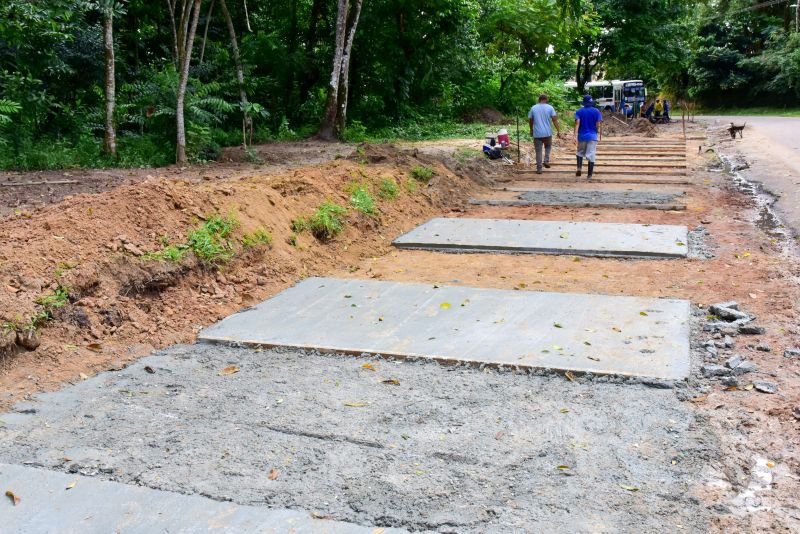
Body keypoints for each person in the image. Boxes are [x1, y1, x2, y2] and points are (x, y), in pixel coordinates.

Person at [527, 93, 560, 174]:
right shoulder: (550, 107)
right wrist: (558, 130)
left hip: (537, 133)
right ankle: (546, 160)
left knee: (538, 151)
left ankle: (539, 169)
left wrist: (531, 129)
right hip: (547, 133)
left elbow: (531, 120)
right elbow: (554, 120)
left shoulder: (533, 108)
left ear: (539, 100)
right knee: (548, 146)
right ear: (546, 100)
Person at [574, 94, 603, 178]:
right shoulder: (596, 111)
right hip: (592, 136)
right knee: (591, 154)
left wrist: (574, 135)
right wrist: (596, 130)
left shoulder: (579, 111)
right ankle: (589, 175)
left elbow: (577, 123)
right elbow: (598, 123)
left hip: (582, 135)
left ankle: (579, 168)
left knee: (580, 152)